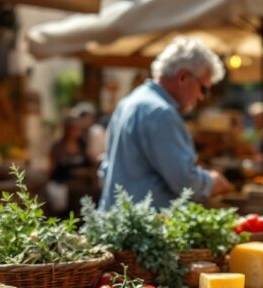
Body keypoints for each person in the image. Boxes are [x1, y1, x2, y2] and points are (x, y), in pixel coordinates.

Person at [98, 36, 231, 210]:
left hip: (117, 222)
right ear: (183, 77)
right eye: (203, 88)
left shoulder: (129, 102)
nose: (201, 97)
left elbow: (104, 170)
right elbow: (184, 182)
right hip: (143, 229)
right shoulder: (161, 112)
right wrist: (212, 181)